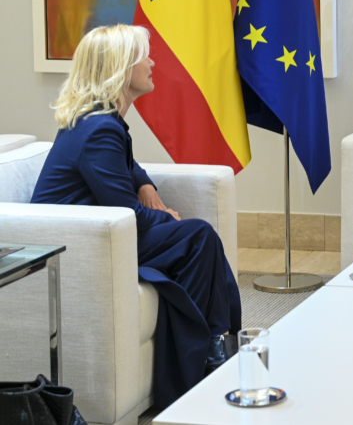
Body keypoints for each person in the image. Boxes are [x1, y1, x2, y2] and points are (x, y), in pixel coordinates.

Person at [31, 24, 241, 409]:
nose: (152, 62)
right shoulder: (100, 129)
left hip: (102, 234)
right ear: (121, 67)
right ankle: (210, 351)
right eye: (144, 56)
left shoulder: (97, 119)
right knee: (197, 236)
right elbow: (127, 213)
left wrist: (145, 183)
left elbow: (122, 169)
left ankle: (208, 352)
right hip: (84, 246)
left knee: (197, 240)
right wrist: (169, 220)